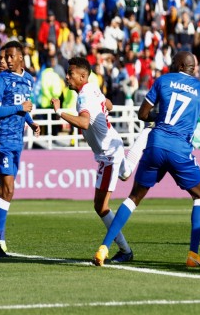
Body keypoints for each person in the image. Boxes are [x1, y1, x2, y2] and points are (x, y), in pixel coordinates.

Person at [93, 51, 200, 267]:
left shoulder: (163, 80)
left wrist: (160, 119)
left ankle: (104, 248)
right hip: (180, 150)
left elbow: (142, 114)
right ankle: (193, 254)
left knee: (133, 197)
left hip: (155, 143)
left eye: (173, 62)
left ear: (180, 65)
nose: (170, 64)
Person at [51, 57, 134, 263]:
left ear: (82, 76)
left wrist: (59, 111)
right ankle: (128, 164)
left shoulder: (83, 97)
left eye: (70, 73)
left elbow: (85, 123)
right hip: (111, 146)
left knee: (101, 206)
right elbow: (110, 105)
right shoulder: (93, 88)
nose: (67, 77)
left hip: (109, 154)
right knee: (108, 194)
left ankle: (125, 250)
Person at [0, 45, 40, 252]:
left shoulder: (29, 80)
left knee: (5, 191)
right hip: (2, 141)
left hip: (17, 141)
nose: (8, 60)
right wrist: (19, 109)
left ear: (21, 57)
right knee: (9, 189)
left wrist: (30, 122)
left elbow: (24, 107)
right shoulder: (2, 80)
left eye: (11, 57)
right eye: (6, 57)